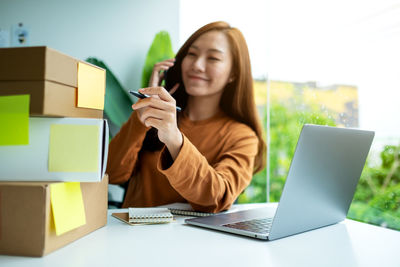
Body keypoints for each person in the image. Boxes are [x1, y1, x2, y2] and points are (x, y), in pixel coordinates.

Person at [106, 21, 266, 213]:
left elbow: (217, 197)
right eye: (192, 54)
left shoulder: (242, 136)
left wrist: (174, 139)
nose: (197, 65)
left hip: (192, 242)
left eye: (213, 58)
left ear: (233, 73)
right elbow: (112, 174)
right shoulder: (157, 117)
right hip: (130, 235)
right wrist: (141, 118)